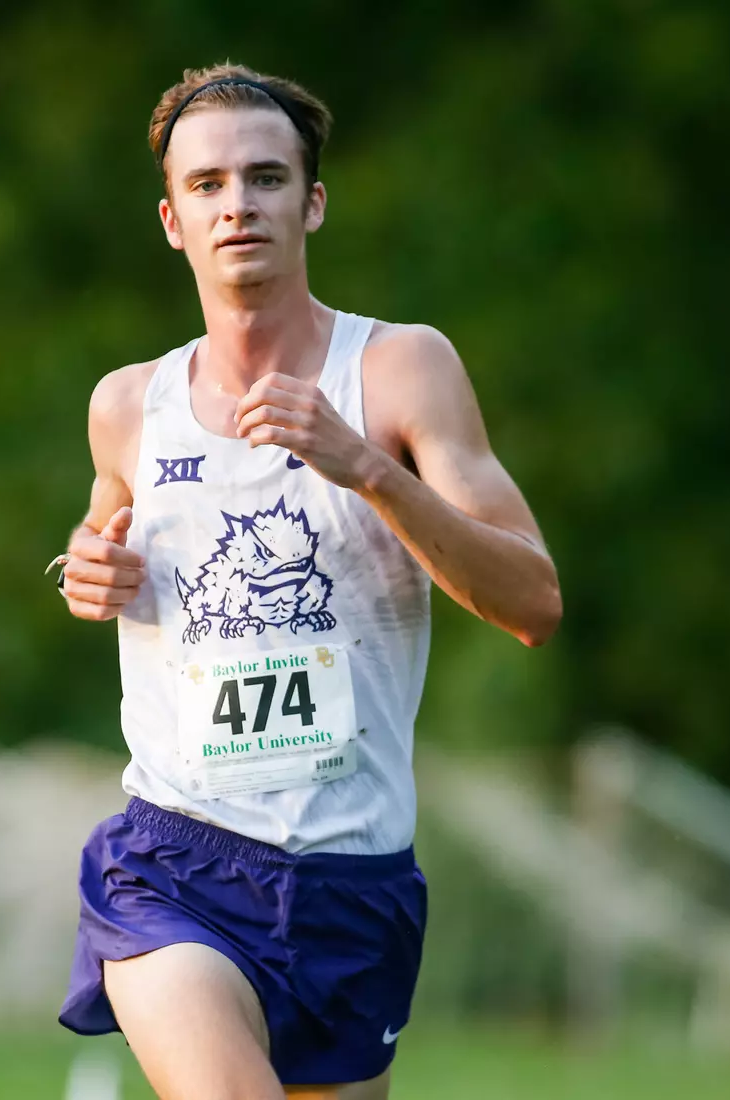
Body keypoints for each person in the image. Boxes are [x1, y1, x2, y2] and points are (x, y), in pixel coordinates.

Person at [53, 62, 561, 1100]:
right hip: (175, 859)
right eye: (207, 185)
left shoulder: (400, 372)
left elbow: (532, 601)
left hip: (351, 879)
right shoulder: (127, 404)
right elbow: (100, 529)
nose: (237, 202)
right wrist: (85, 569)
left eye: (266, 176)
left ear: (311, 201)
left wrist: (366, 467)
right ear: (171, 219)